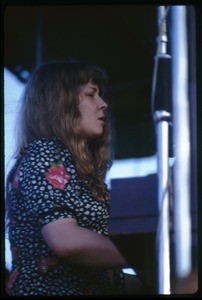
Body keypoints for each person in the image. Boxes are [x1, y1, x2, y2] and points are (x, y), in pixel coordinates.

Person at [5, 59, 132, 296]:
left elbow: (99, 277)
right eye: (91, 94)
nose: (103, 104)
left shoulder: (74, 169)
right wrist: (152, 255)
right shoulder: (45, 154)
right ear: (61, 103)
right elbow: (66, 241)